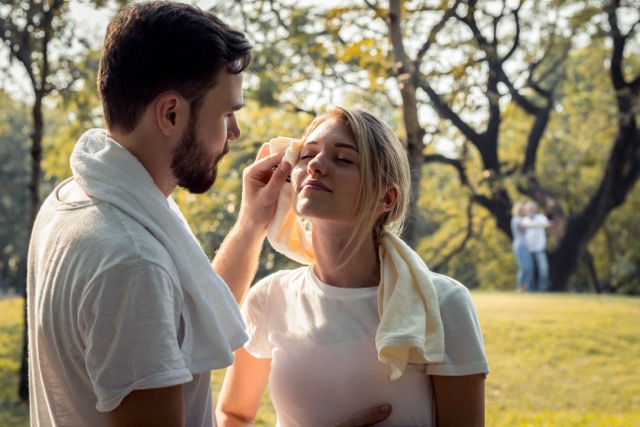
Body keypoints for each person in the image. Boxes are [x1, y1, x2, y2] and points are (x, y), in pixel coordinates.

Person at [26, 2, 392, 425]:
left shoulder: (77, 199)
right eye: (227, 114)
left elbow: (181, 318)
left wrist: (252, 223)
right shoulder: (132, 259)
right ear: (171, 113)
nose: (234, 133)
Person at [216, 107, 489, 426]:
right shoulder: (269, 297)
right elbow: (233, 413)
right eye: (306, 155)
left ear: (386, 198)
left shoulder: (441, 303)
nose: (316, 165)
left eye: (344, 159)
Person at [522, 200, 551, 292]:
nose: (530, 211)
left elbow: (548, 224)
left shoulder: (541, 217)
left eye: (532, 209)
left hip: (540, 248)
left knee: (543, 270)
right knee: (530, 271)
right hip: (528, 249)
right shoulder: (524, 220)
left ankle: (543, 290)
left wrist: (533, 225)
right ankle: (531, 290)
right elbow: (523, 226)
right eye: (528, 209)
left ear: (535, 209)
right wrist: (538, 226)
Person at [510, 201, 533, 293]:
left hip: (526, 246)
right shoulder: (516, 219)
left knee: (529, 268)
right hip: (519, 246)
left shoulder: (523, 219)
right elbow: (524, 226)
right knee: (524, 268)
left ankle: (525, 287)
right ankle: (519, 287)